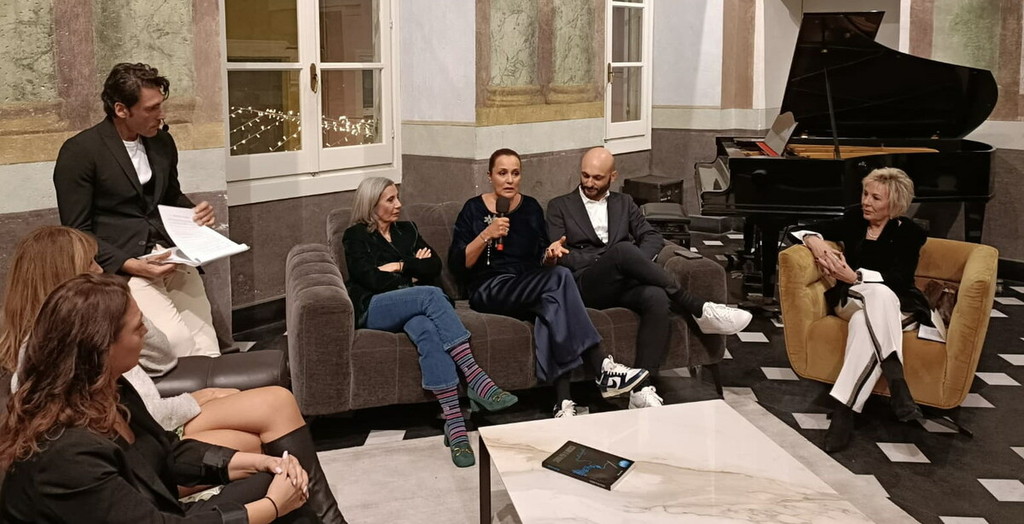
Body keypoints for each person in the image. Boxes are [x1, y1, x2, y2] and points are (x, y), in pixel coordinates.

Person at [0, 226, 346, 523]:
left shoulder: (112, 387)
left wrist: (258, 462)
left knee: (283, 478)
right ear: (103, 346)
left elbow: (168, 451)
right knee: (276, 500)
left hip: (153, 510)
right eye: (137, 328)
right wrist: (271, 507)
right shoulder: (67, 453)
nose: (146, 333)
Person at [546, 147, 753, 408]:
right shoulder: (559, 206)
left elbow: (652, 236)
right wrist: (614, 260)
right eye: (585, 175)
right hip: (585, 285)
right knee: (622, 250)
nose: (589, 183)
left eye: (597, 178)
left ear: (612, 176)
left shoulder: (624, 203)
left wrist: (633, 264)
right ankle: (698, 307)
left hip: (622, 283)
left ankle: (642, 388)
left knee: (656, 297)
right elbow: (561, 255)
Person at [450, 148, 649, 418]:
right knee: (558, 283)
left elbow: (540, 258)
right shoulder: (473, 208)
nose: (509, 180)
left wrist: (551, 255)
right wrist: (486, 234)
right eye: (502, 173)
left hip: (528, 284)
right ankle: (601, 365)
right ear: (490, 176)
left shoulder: (531, 208)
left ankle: (563, 403)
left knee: (552, 303)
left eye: (515, 173)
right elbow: (458, 264)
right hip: (490, 288)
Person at [342, 177, 519, 467]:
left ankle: (455, 426)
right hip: (375, 307)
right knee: (431, 294)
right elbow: (370, 279)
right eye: (390, 200)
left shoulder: (407, 230)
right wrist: (413, 272)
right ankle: (475, 377)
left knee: (427, 330)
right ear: (371, 205)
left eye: (398, 197)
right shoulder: (355, 236)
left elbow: (433, 265)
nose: (399, 204)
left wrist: (399, 266)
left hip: (412, 305)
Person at [53, 62, 219, 361]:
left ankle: (219, 390)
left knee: (205, 340)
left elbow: (169, 195)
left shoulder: (162, 141)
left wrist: (194, 212)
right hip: (122, 263)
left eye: (161, 105)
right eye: (151, 108)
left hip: (170, 254)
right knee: (174, 343)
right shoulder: (80, 151)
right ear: (121, 109)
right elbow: (76, 231)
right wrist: (130, 264)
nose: (161, 114)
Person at [791, 167, 928, 453]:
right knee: (877, 294)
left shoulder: (911, 233)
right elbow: (799, 228)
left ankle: (844, 411)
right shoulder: (854, 219)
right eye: (865, 194)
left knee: (865, 321)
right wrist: (814, 241)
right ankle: (897, 381)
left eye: (875, 198)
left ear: (894, 203)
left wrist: (856, 276)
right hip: (851, 299)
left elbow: (900, 279)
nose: (866, 202)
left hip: (893, 304)